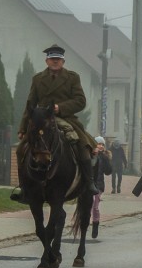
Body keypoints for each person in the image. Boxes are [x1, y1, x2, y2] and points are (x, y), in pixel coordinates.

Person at [14, 44, 99, 204]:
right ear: (47, 61)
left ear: (63, 61)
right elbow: (30, 104)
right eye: (52, 59)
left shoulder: (72, 77)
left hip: (66, 118)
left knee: (83, 145)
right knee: (20, 150)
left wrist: (60, 108)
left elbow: (80, 101)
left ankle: (89, 182)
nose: (55, 62)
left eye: (58, 59)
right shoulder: (38, 79)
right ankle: (24, 188)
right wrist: (23, 127)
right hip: (41, 119)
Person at [89, 136, 113, 239]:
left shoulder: (104, 157)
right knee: (87, 206)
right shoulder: (90, 155)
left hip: (99, 185)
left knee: (95, 205)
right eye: (99, 144)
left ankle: (95, 225)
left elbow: (108, 172)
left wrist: (106, 158)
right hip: (89, 183)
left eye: (102, 144)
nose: (101, 146)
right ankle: (84, 224)